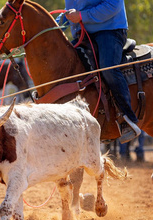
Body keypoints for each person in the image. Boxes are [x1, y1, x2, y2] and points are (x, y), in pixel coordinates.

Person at [64, 0, 141, 143]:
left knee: (108, 68)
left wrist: (82, 16)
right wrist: (56, 23)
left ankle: (127, 119)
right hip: (83, 34)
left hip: (110, 31)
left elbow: (114, 5)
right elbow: (69, 11)